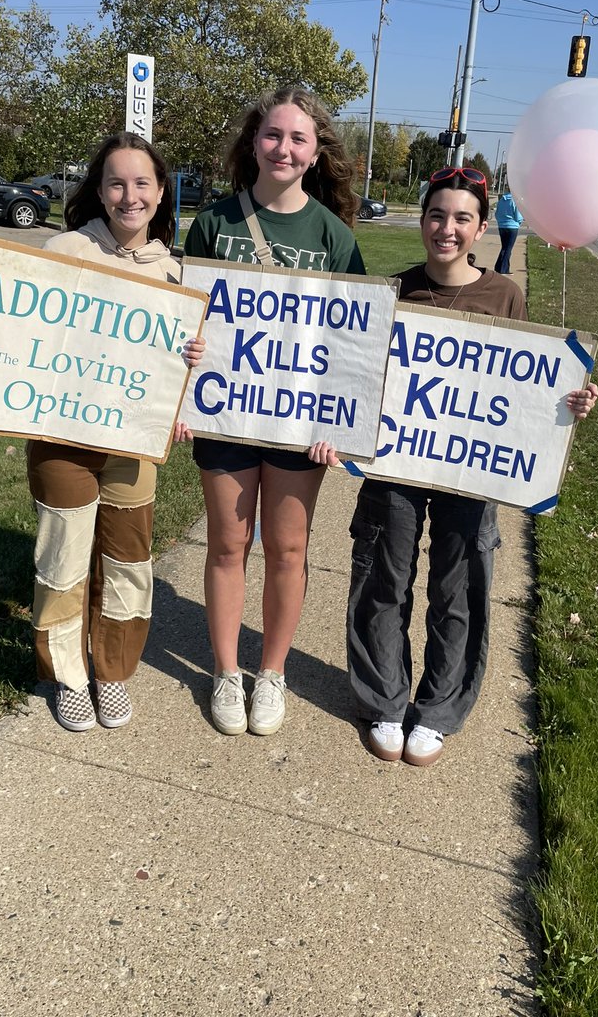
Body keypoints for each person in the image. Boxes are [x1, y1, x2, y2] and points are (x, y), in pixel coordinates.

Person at [0, 132, 204, 733]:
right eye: (115, 182)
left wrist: (189, 379)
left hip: (132, 443)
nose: (128, 195)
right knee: (63, 556)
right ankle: (67, 676)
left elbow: (180, 370)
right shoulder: (60, 251)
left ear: (162, 193)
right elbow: (3, 335)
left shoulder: (178, 274)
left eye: (142, 183)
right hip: (61, 439)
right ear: (98, 189)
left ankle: (112, 672)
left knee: (128, 560)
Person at [345, 166, 598, 767]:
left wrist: (573, 399)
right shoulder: (393, 289)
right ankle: (384, 697)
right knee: (384, 578)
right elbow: (361, 373)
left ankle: (437, 710)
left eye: (462, 219)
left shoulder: (504, 293)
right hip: (397, 461)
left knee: (459, 587)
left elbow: (523, 381)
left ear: (484, 228)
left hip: (472, 466)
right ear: (423, 220)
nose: (447, 229)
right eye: (437, 215)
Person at [183, 85, 365, 738]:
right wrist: (184, 371)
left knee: (288, 548)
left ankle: (274, 671)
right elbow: (189, 315)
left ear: (316, 154)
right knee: (229, 543)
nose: (283, 148)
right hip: (227, 411)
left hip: (297, 421)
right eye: (273, 135)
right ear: (254, 142)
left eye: (298, 139)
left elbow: (353, 345)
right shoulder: (214, 223)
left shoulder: (335, 236)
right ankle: (228, 673)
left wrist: (337, 426)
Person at [493, 189, 524, 275]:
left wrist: (501, 221)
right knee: (508, 249)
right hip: (512, 227)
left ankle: (500, 267)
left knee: (504, 247)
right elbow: (518, 216)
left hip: (502, 226)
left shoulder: (501, 200)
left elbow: (497, 214)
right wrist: (519, 222)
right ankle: (503, 270)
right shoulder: (515, 201)